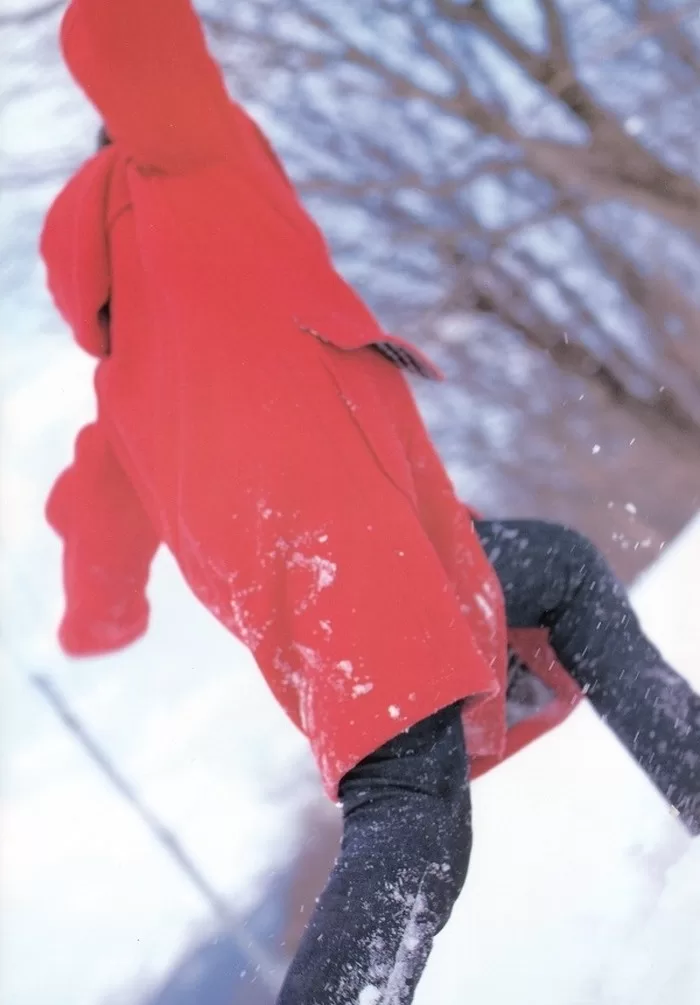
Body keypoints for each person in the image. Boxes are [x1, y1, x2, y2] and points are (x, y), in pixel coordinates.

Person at [41, 2, 699, 1002]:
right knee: (413, 820)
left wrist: (101, 621)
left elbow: (95, 554)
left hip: (338, 585)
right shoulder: (185, 166)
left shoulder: (118, 389)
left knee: (558, 570)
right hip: (350, 558)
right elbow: (125, 38)